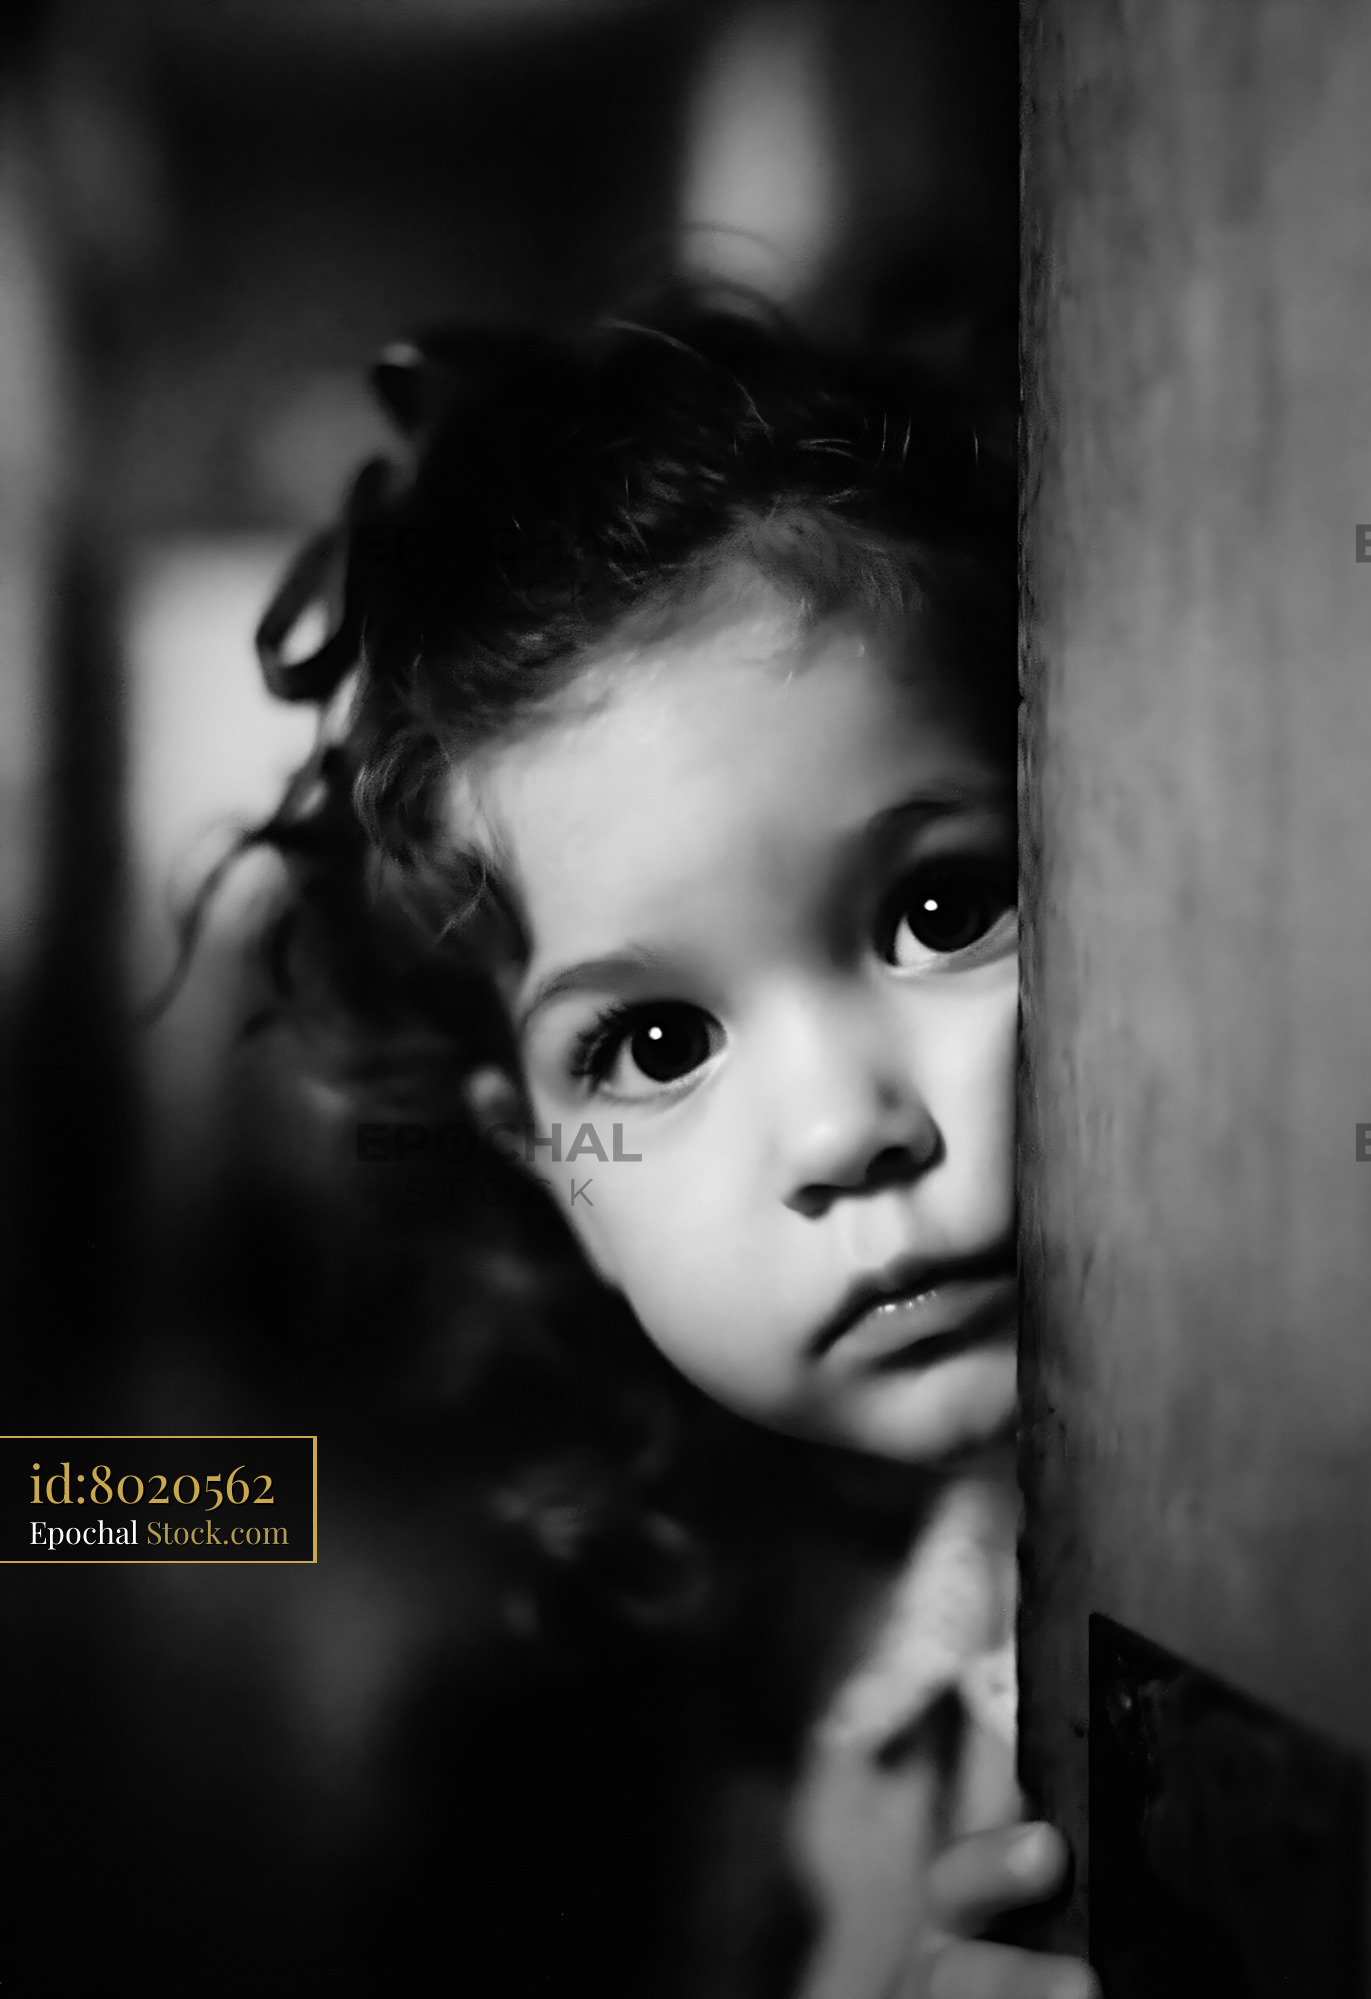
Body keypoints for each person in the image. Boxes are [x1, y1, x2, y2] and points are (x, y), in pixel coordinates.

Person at [238, 301, 1091, 1999]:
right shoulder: (742, 1722)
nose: (852, 1132)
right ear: (553, 1173)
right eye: (651, 1047)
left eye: (942, 909)